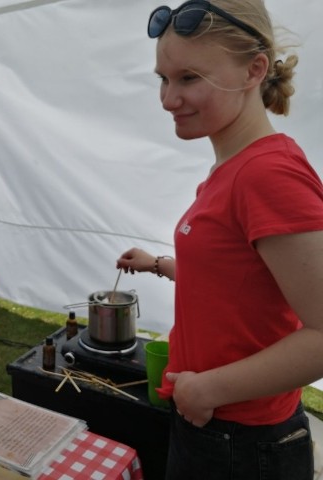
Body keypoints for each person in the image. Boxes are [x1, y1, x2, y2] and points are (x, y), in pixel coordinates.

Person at [116, 1, 321, 478]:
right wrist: (160, 264)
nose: (168, 99)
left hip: (242, 441)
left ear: (255, 70)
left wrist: (205, 390)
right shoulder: (231, 169)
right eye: (163, 79)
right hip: (216, 425)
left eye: (188, 78)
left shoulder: (267, 175)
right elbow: (241, 280)